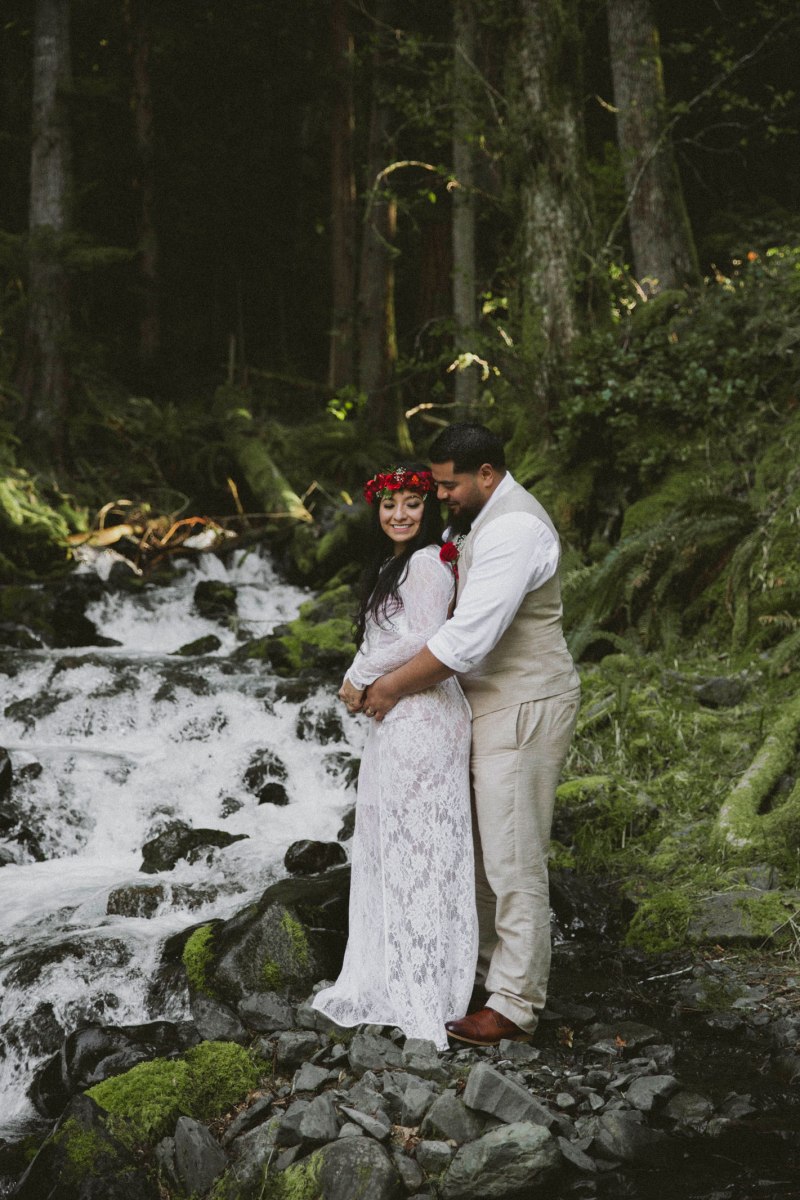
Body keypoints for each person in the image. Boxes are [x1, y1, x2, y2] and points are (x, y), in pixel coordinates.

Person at [362, 424, 580, 1046]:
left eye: (448, 484)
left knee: (513, 856)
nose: (440, 496)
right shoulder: (470, 525)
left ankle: (514, 1003)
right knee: (480, 849)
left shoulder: (513, 528)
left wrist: (387, 687)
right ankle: (483, 972)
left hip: (523, 701)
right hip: (479, 706)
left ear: (486, 475)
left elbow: (466, 641)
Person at [312, 464, 477, 1050]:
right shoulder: (397, 564)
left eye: (411, 504)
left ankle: (424, 993)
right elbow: (387, 635)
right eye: (389, 506)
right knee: (397, 843)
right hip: (405, 712)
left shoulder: (430, 561)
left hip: (424, 714)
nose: (399, 515)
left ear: (427, 508)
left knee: (419, 848)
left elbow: (423, 638)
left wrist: (357, 677)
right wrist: (361, 676)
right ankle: (396, 977)